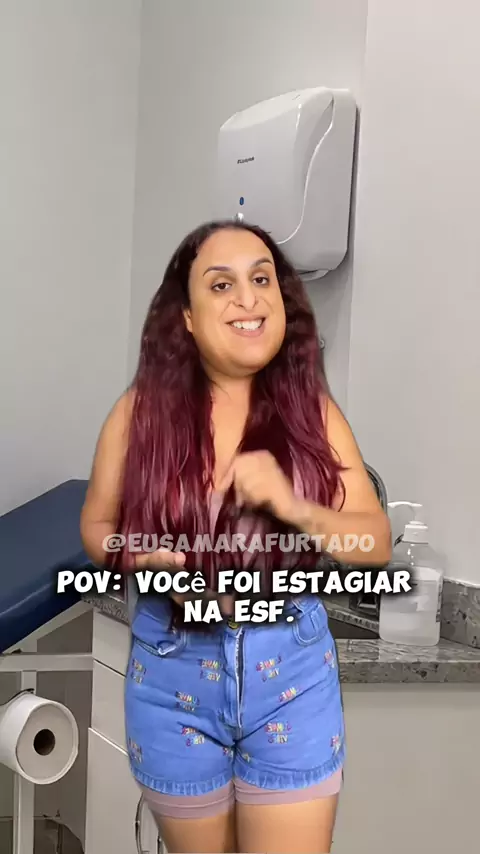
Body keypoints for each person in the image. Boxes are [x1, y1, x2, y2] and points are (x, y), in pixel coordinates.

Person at [80, 220, 391, 854]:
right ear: (187, 318)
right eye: (221, 285)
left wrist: (293, 504)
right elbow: (97, 527)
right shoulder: (138, 415)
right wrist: (134, 556)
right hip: (172, 676)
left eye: (261, 279)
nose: (248, 298)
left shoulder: (315, 415)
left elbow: (375, 544)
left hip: (292, 679)